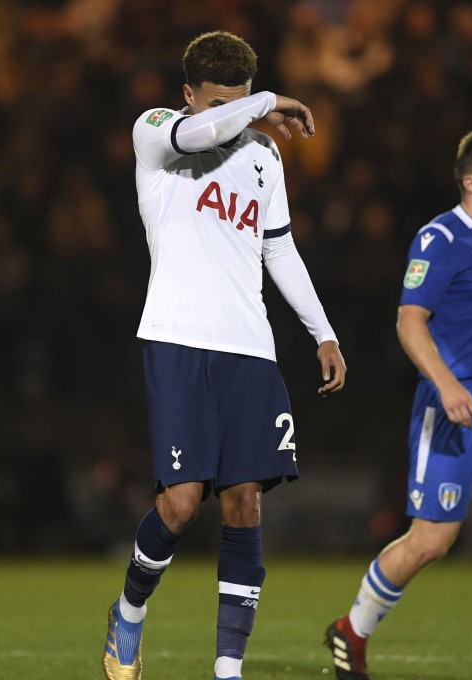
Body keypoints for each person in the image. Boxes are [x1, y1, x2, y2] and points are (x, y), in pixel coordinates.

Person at [102, 31, 347, 680]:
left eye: (239, 105)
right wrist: (262, 100)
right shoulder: (156, 131)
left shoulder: (265, 153)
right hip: (179, 340)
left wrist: (322, 331)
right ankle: (128, 612)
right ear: (189, 96)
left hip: (249, 349)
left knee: (245, 503)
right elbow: (200, 136)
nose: (231, 119)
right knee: (181, 504)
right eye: (217, 104)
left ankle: (228, 671)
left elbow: (279, 247)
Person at [324, 126, 472, 680]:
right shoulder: (440, 240)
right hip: (454, 403)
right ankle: (350, 630)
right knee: (432, 541)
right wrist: (447, 384)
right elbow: (409, 322)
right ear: (471, 182)